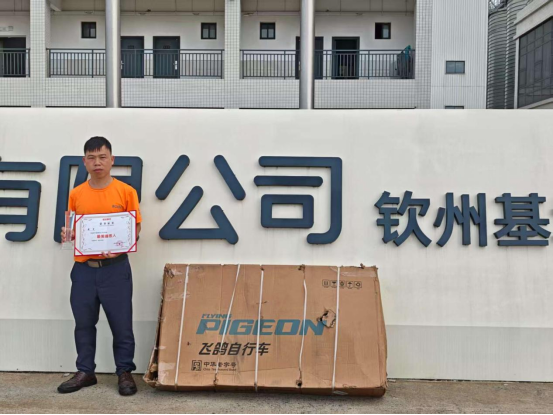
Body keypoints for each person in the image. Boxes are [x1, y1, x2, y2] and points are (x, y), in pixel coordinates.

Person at [58, 137, 142, 396]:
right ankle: (85, 371)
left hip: (116, 268)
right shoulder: (76, 193)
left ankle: (124, 372)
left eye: (102, 157)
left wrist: (121, 245)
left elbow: (135, 228)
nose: (97, 162)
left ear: (111, 160)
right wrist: (68, 234)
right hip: (84, 269)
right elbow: (71, 226)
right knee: (83, 323)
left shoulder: (126, 192)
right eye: (92, 158)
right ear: (84, 161)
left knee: (121, 324)